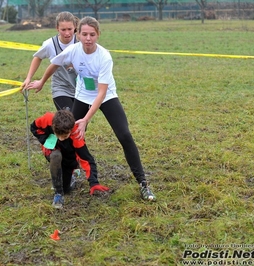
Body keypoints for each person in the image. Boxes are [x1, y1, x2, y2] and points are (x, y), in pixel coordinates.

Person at [26, 16, 156, 201]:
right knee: (68, 133)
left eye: (92, 34)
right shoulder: (73, 50)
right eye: (84, 34)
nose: (88, 38)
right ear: (78, 35)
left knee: (125, 135)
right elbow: (53, 63)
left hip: (106, 96)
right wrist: (41, 81)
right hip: (82, 95)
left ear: (98, 35)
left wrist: (85, 120)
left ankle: (143, 183)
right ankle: (69, 173)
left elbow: (101, 93)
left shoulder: (104, 57)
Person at [30, 109, 109, 208]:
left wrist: (94, 183)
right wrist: (45, 140)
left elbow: (87, 160)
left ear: (70, 130)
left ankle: (70, 178)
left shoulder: (76, 136)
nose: (61, 139)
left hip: (69, 159)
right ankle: (58, 194)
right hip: (52, 150)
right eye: (58, 135)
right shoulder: (47, 119)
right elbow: (34, 127)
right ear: (53, 126)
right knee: (56, 155)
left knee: (66, 189)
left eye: (65, 136)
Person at [22, 11, 79, 111]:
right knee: (68, 119)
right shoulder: (50, 44)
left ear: (75, 26)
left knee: (80, 123)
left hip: (81, 89)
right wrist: (28, 78)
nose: (67, 33)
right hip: (61, 88)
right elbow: (37, 57)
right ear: (57, 28)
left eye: (69, 29)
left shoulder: (81, 41)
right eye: (63, 29)